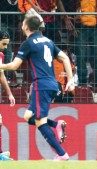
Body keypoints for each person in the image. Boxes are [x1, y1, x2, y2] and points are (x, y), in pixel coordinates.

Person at [0, 15, 75, 161]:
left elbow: (14, 66)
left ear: (26, 26)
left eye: (23, 23)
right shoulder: (48, 41)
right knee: (29, 116)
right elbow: (65, 58)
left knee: (40, 121)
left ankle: (62, 154)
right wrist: (70, 79)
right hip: (53, 84)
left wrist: (0, 66)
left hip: (41, 85)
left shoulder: (28, 43)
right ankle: (56, 124)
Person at [74, 0, 97, 87]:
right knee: (81, 56)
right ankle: (82, 82)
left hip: (96, 27)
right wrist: (73, 26)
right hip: (80, 27)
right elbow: (72, 7)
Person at [0, 30, 16, 161]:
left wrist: (10, 93)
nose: (6, 47)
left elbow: (1, 75)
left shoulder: (0, 56)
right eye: (4, 44)